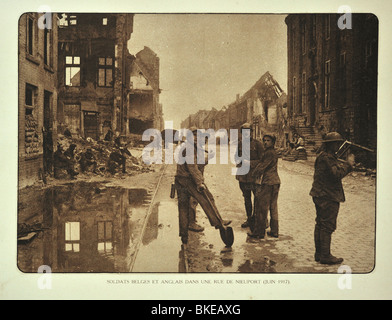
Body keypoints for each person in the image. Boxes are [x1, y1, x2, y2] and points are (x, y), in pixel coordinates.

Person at [175, 127, 231, 245]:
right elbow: (192, 167)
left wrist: (207, 158)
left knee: (183, 208)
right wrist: (200, 182)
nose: (196, 138)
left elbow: (195, 163)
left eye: (197, 136)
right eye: (193, 135)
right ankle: (219, 224)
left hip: (180, 180)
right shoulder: (189, 148)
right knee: (207, 200)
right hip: (189, 181)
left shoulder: (187, 147)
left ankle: (184, 236)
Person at [310, 132, 355, 265]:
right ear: (331, 144)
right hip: (327, 196)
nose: (338, 145)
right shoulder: (327, 158)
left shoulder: (325, 156)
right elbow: (336, 174)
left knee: (320, 224)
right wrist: (349, 164)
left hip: (320, 194)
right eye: (336, 143)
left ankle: (319, 254)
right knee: (327, 226)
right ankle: (325, 255)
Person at [248, 133, 281, 239]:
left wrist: (253, 174)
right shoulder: (273, 152)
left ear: (272, 142)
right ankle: (274, 231)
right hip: (275, 182)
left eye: (268, 141)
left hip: (268, 183)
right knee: (273, 207)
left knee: (262, 207)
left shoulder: (269, 153)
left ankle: (259, 232)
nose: (266, 142)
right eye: (264, 140)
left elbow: (262, 167)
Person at [234, 123, 264, 229]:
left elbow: (262, 160)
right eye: (244, 132)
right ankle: (249, 218)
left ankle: (258, 219)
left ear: (252, 132)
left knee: (257, 198)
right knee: (246, 198)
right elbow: (236, 157)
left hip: (254, 176)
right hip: (243, 176)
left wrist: (250, 163)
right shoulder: (240, 144)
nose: (246, 134)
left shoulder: (258, 144)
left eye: (249, 131)